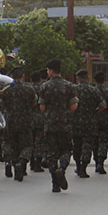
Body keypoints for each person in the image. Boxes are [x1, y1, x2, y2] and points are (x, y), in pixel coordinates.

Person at [37, 59, 78, 193]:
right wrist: (65, 113)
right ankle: (62, 168)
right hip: (65, 124)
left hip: (50, 124)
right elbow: (73, 106)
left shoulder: (44, 87)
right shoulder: (70, 86)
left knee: (52, 153)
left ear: (51, 70)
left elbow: (42, 107)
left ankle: (55, 182)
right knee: (66, 150)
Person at [0, 67, 36, 182]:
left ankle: (10, 161)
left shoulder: (6, 90)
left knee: (10, 143)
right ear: (23, 76)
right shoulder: (29, 89)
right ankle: (22, 162)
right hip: (26, 121)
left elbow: (2, 106)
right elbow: (34, 104)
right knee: (27, 145)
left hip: (10, 121)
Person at [72, 69, 105, 179]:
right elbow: (103, 105)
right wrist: (95, 112)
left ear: (78, 78)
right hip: (90, 121)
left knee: (76, 145)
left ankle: (77, 165)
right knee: (87, 145)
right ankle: (83, 168)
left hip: (75, 122)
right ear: (87, 77)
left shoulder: (73, 89)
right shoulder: (93, 90)